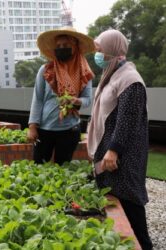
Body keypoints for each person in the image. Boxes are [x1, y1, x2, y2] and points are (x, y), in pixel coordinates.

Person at [87, 29, 153, 250]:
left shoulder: (130, 80)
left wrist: (113, 150)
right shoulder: (113, 74)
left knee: (131, 207)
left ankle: (144, 246)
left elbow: (128, 120)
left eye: (99, 50)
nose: (97, 55)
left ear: (111, 49)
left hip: (124, 158)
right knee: (118, 205)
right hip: (113, 157)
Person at [27, 27, 95, 165]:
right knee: (39, 166)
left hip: (69, 130)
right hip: (44, 130)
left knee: (62, 168)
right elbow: (38, 98)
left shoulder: (84, 72)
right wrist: (33, 127)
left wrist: (76, 101)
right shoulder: (46, 70)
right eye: (58, 46)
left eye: (66, 45)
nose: (61, 48)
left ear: (75, 47)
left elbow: (88, 99)